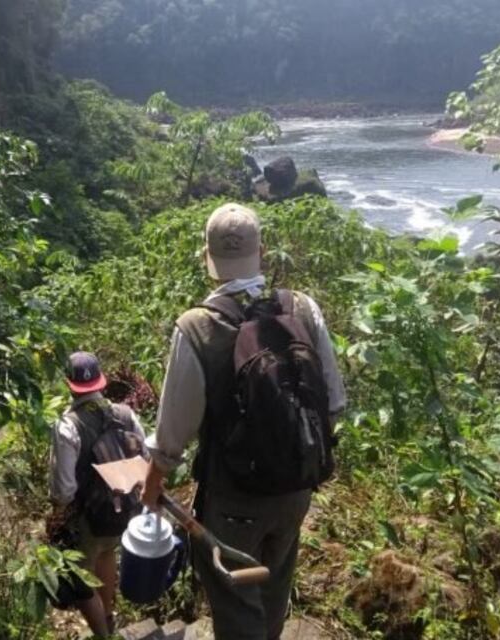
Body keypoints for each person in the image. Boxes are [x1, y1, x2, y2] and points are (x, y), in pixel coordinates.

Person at [141, 203, 347, 640]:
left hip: (234, 501)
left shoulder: (197, 328)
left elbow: (172, 436)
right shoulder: (302, 308)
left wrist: (152, 485)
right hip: (296, 490)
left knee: (236, 606)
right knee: (273, 589)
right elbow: (334, 400)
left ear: (207, 259)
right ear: (263, 252)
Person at [49, 352, 147, 638]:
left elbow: (63, 490)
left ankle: (104, 635)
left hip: (87, 518)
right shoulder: (125, 414)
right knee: (106, 555)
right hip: (124, 509)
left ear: (69, 384)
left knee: (80, 584)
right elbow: (146, 455)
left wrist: (60, 518)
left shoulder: (67, 427)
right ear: (100, 380)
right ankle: (108, 616)